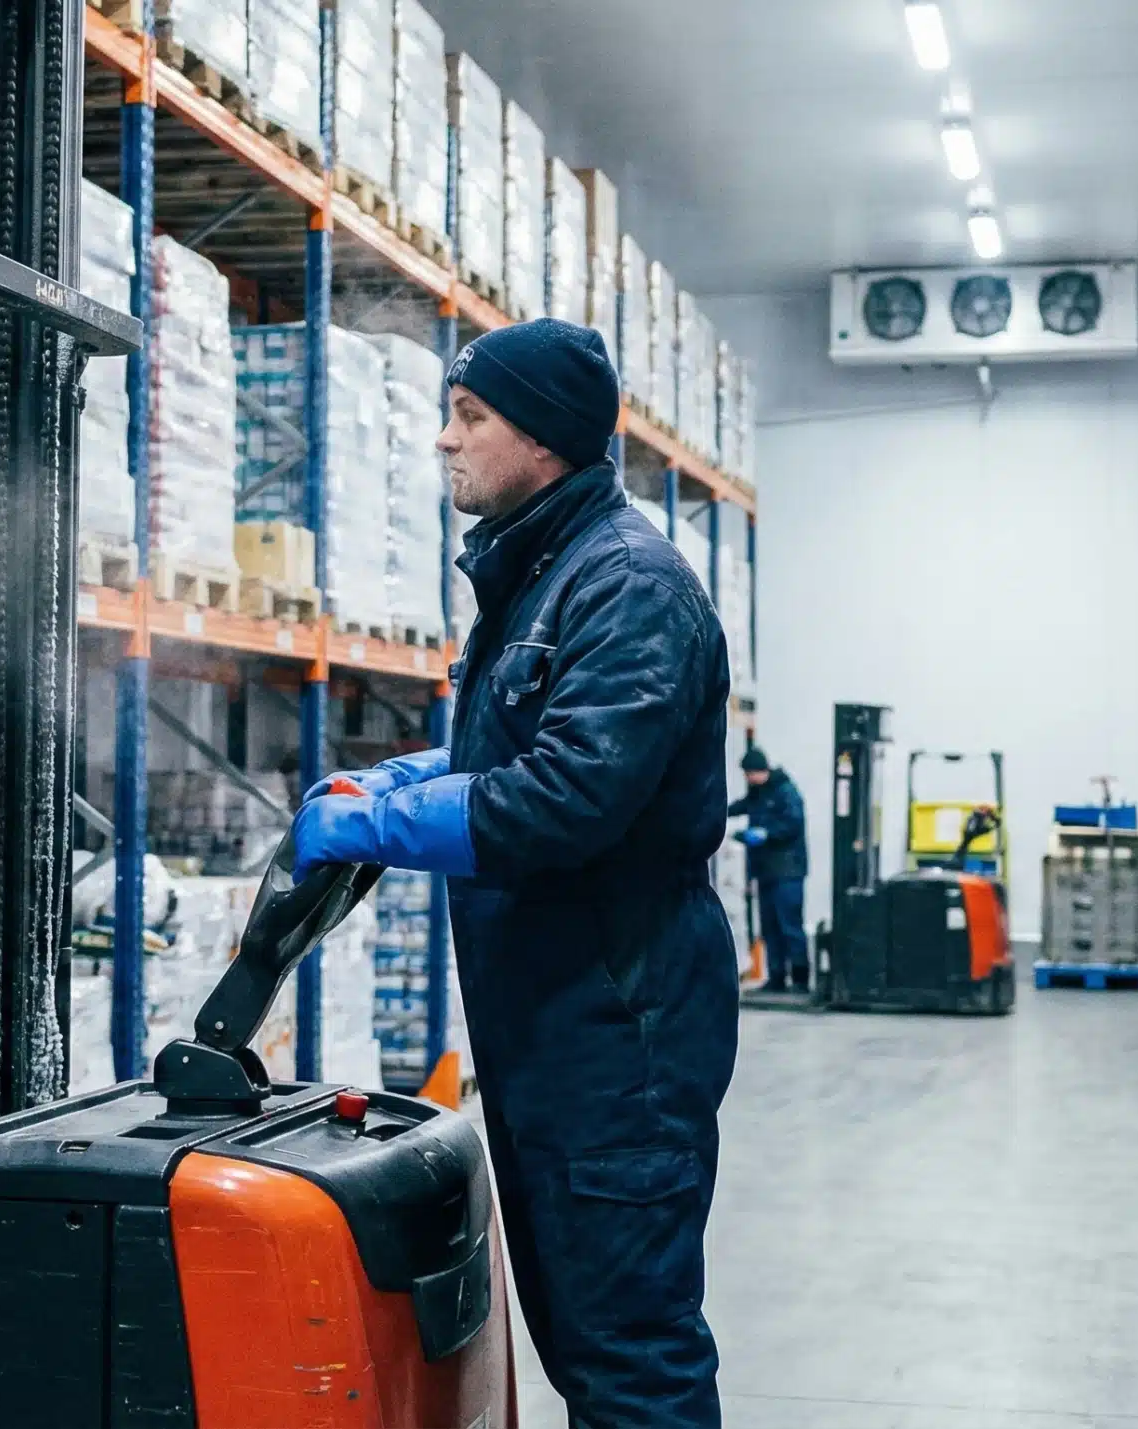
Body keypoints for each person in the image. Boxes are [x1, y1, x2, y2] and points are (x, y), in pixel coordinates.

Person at [290, 317, 736, 1426]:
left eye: (470, 416)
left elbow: (570, 798)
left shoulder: (628, 586)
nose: (445, 440)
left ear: (540, 438)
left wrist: (385, 831)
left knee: (629, 1354)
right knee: (585, 1341)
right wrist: (404, 779)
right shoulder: (543, 574)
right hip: (557, 1023)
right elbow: (525, 749)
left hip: (616, 1029)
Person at [728, 748, 808, 992]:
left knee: (789, 926)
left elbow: (793, 824)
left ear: (759, 770)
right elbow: (740, 807)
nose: (748, 779)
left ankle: (800, 979)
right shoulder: (758, 794)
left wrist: (766, 834)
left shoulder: (786, 791)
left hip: (788, 870)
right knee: (769, 927)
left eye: (749, 774)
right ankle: (776, 978)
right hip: (766, 871)